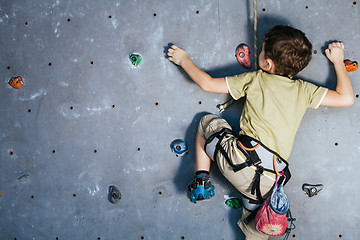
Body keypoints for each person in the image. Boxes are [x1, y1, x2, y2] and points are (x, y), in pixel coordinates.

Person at [167, 25, 354, 240]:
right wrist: (338, 61)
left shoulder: (256, 79)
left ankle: (201, 179)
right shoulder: (305, 90)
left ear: (268, 63)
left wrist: (183, 60)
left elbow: (207, 83)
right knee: (257, 232)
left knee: (208, 123)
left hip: (239, 162)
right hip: (268, 185)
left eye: (262, 50)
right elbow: (346, 98)